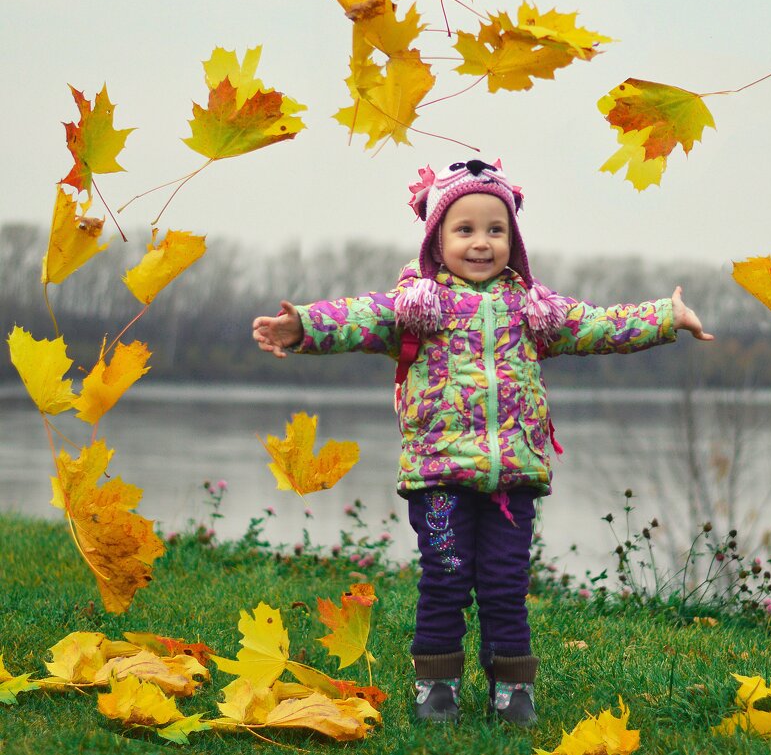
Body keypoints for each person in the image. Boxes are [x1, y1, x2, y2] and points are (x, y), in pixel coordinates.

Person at [252, 158, 713, 726]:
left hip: (512, 479)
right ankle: (436, 686)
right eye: (464, 230)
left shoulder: (533, 307)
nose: (480, 243)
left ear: (513, 240)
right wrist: (303, 327)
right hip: (438, 479)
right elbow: (356, 318)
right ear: (436, 238)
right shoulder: (418, 304)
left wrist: (667, 315)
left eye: (495, 230)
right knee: (445, 576)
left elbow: (598, 325)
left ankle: (513, 690)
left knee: (503, 584)